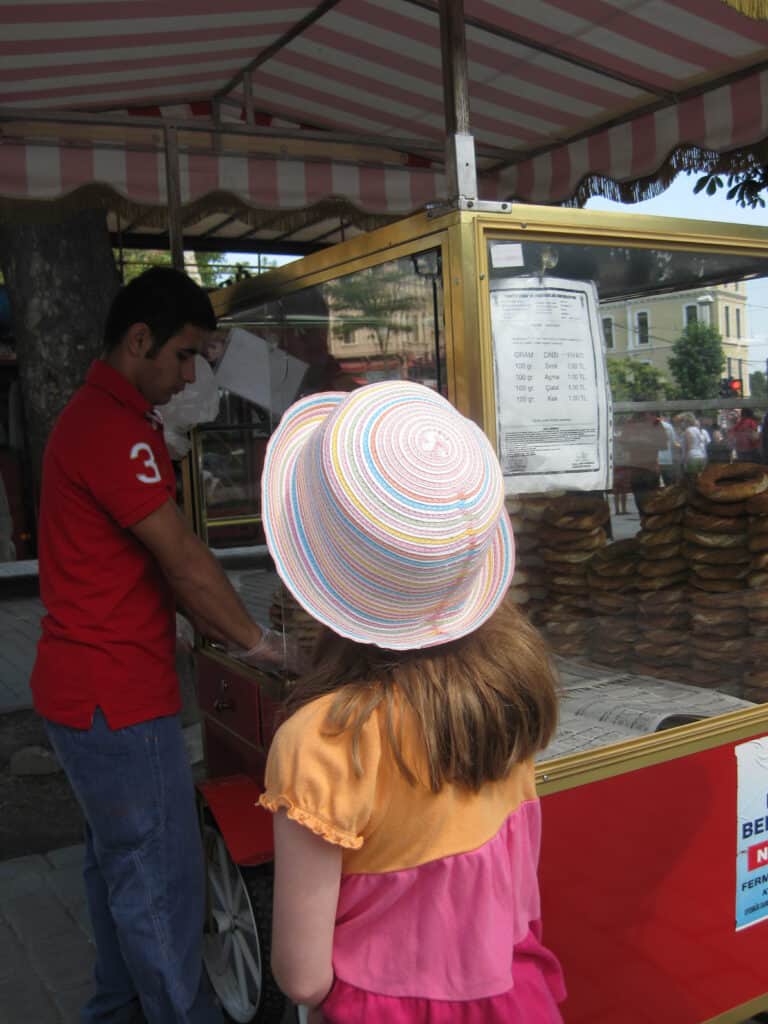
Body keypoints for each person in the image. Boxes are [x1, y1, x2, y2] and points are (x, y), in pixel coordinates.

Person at [31, 267, 297, 1024]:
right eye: (183, 356)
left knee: (118, 869)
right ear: (138, 340)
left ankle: (115, 1010)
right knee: (160, 886)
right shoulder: (109, 427)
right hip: (114, 696)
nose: (188, 375)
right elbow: (182, 557)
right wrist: (258, 644)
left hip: (86, 689)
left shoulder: (105, 420)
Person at [257, 381, 566, 1022]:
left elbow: (303, 976)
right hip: (513, 995)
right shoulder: (510, 689)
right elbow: (519, 891)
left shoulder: (321, 740)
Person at [618, 411, 667, 514]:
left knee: (651, 504)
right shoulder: (631, 424)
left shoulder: (655, 423)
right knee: (645, 504)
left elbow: (663, 445)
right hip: (640, 469)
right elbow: (623, 444)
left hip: (647, 468)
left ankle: (649, 523)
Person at [678, 412, 709, 477]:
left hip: (692, 457)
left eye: (683, 421)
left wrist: (685, 458)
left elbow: (688, 445)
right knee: (698, 478)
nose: (682, 423)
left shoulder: (688, 431)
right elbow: (701, 442)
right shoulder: (697, 430)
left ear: (686, 421)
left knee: (691, 478)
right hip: (700, 456)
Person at [657, 414, 681, 486]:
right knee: (668, 482)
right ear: (662, 417)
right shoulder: (668, 426)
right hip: (667, 458)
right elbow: (674, 442)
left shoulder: (650, 426)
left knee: (655, 484)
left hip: (654, 459)